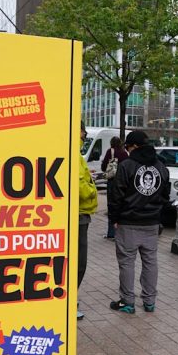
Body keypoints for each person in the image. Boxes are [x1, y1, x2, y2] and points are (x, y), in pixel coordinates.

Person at [108, 130, 169, 314]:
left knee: (127, 262)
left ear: (134, 146)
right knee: (150, 261)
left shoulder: (126, 166)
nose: (127, 150)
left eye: (127, 147)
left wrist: (114, 218)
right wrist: (157, 216)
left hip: (128, 222)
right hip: (151, 223)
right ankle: (149, 302)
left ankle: (127, 302)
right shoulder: (161, 166)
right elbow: (165, 196)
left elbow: (116, 195)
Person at [77, 121, 98, 320]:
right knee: (79, 263)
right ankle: (69, 301)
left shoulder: (75, 154)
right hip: (78, 215)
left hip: (79, 214)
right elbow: (80, 187)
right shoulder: (74, 155)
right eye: (84, 132)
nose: (85, 135)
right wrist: (92, 190)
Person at [100, 136, 129, 239]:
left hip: (112, 181)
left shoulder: (110, 151)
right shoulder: (125, 153)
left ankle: (111, 233)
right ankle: (121, 232)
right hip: (123, 182)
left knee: (111, 206)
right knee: (122, 205)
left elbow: (104, 167)